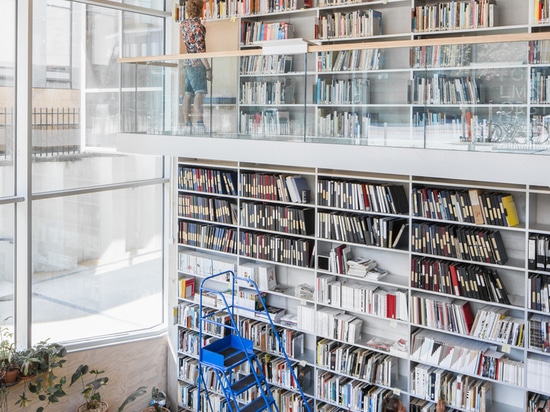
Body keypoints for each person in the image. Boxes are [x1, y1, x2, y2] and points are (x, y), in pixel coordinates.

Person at [180, 0, 211, 134]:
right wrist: (208, 68)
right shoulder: (199, 26)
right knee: (199, 92)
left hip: (187, 62)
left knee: (188, 94)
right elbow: (200, 50)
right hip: (197, 63)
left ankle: (187, 124)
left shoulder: (183, 24)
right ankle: (199, 123)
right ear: (200, 9)